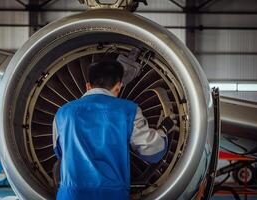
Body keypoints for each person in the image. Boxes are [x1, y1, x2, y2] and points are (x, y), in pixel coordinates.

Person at [52, 60, 177, 200]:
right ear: (118, 87)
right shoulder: (128, 110)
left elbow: (60, 153)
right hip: (111, 196)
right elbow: (152, 151)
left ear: (88, 86)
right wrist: (164, 129)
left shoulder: (63, 113)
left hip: (70, 195)